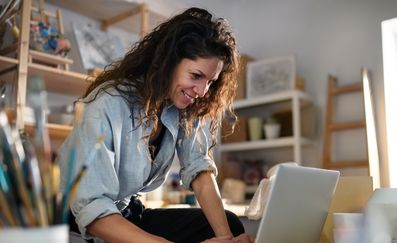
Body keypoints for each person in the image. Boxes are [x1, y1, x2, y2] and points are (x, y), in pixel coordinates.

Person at [57, 7, 254, 243]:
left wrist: (226, 239)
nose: (202, 91)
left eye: (210, 82)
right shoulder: (108, 104)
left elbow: (200, 170)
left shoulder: (184, 105)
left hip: (128, 214)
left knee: (229, 224)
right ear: (169, 64)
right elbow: (93, 210)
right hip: (87, 224)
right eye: (195, 76)